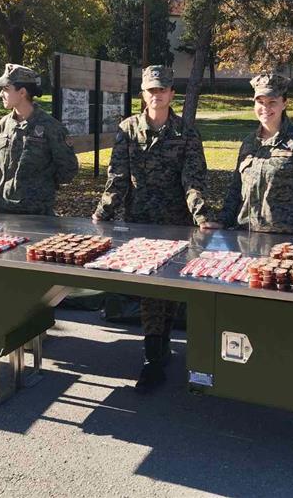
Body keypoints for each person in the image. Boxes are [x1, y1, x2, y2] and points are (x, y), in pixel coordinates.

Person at [92, 64, 219, 394]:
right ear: (143, 94)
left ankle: (162, 343)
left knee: (172, 290)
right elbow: (117, 178)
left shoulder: (186, 133)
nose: (157, 95)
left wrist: (202, 216)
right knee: (150, 290)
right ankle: (151, 359)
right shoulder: (127, 130)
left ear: (171, 94)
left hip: (177, 223)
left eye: (162, 90)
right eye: (151, 90)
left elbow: (193, 181)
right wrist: (103, 213)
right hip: (141, 223)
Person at [218, 73, 293, 245]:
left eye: (272, 102)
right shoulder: (249, 143)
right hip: (245, 236)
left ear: (284, 103)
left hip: (285, 238)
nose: (265, 108)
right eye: (260, 102)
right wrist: (221, 221)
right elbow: (236, 189)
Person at [0, 64, 79, 216]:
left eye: (5, 89)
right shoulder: (4, 125)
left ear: (22, 92)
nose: (0, 94)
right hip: (4, 208)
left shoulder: (51, 127)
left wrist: (41, 185)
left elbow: (68, 169)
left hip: (37, 212)